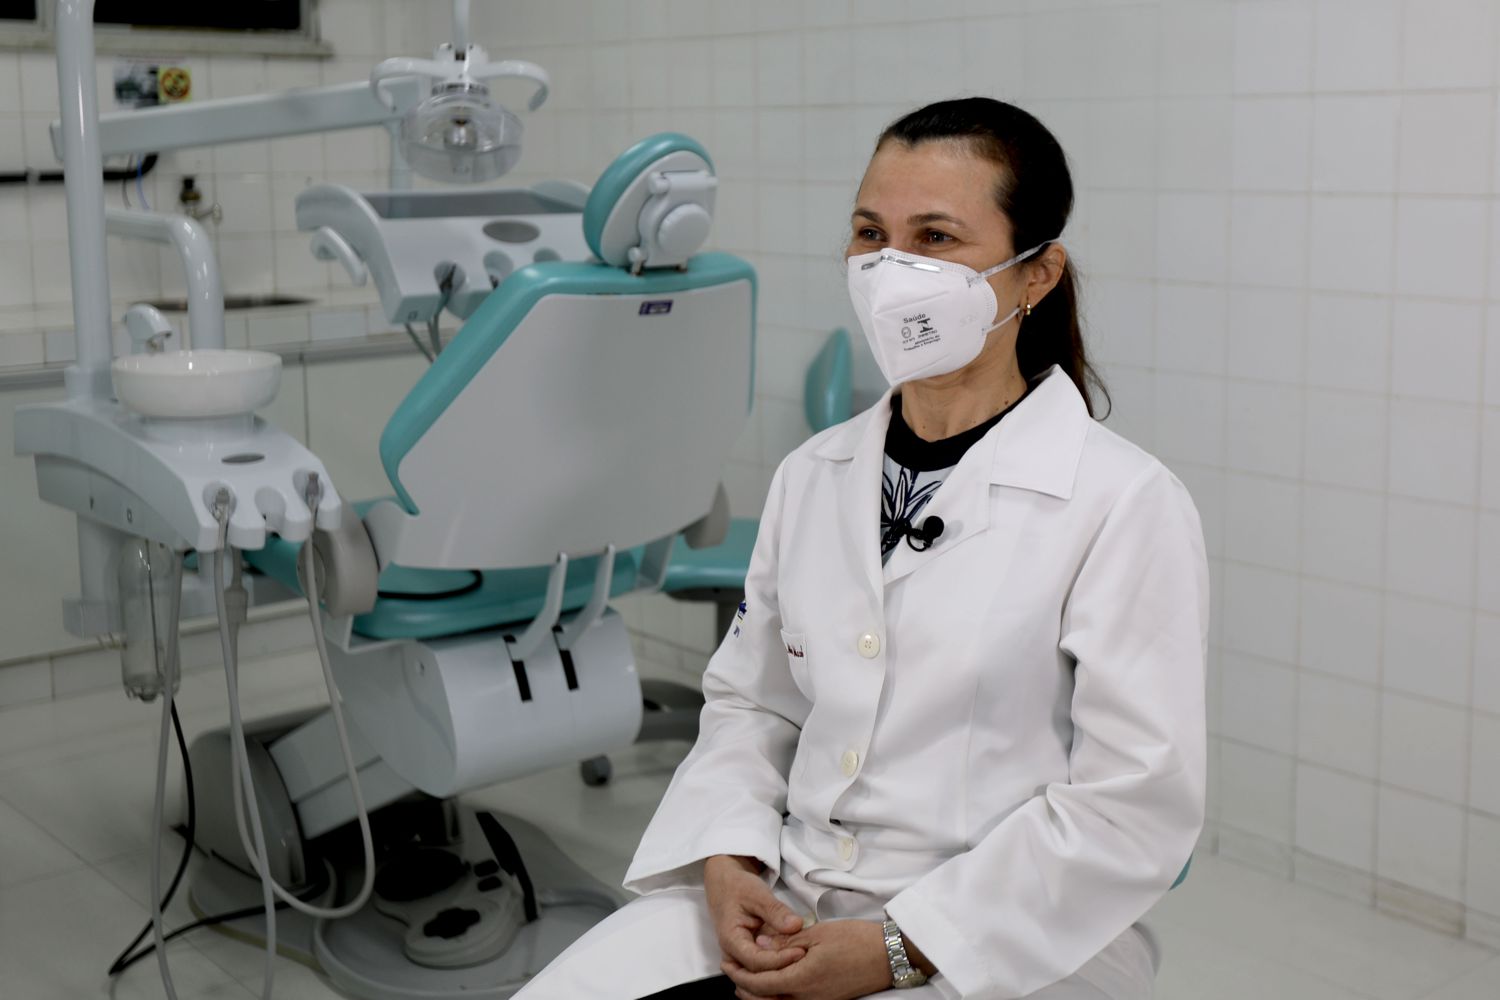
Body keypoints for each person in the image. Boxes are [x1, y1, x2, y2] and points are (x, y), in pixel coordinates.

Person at [515, 97, 1209, 1000]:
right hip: (790, 896)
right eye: (870, 233)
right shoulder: (814, 474)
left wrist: (898, 946)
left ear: (1035, 274)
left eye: (936, 238)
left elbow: (1132, 808)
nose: (893, 271)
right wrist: (726, 855)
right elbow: (751, 705)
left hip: (1008, 942)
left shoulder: (1125, 504)